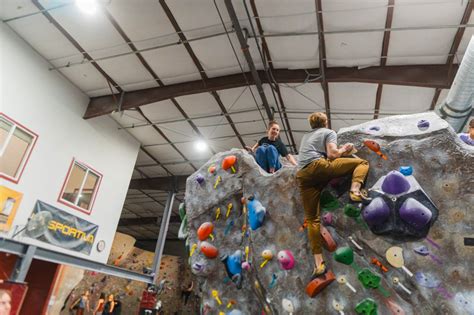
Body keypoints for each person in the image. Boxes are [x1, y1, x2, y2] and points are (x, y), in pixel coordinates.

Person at [296, 112, 370, 280]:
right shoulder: (329, 132)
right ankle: (355, 191)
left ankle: (319, 263)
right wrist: (345, 148)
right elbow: (332, 155)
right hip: (320, 167)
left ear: (311, 125)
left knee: (313, 220)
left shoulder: (305, 137)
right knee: (362, 163)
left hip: (304, 176)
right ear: (326, 122)